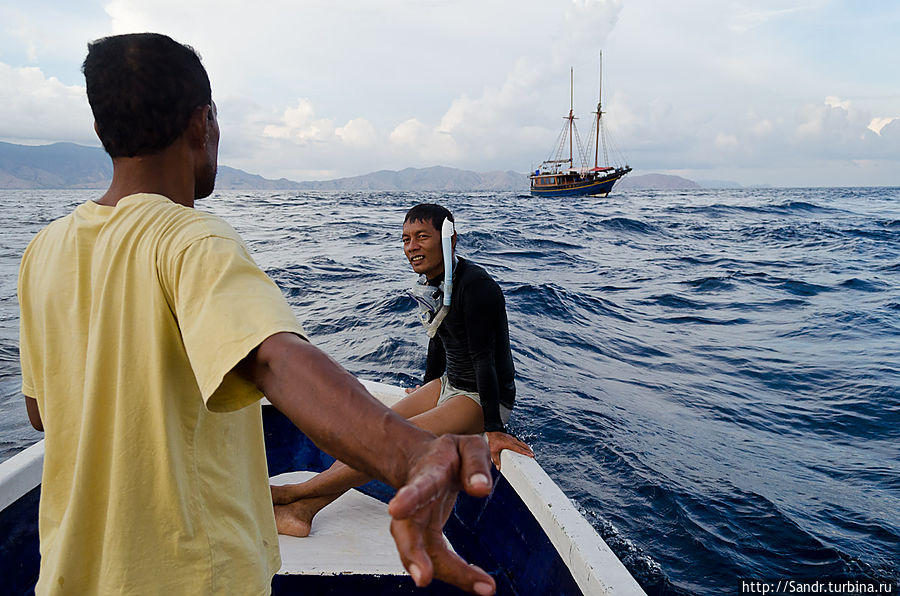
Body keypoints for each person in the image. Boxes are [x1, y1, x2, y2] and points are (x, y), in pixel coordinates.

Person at [18, 33, 497, 596]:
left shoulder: (42, 251)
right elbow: (276, 360)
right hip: (192, 579)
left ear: (101, 132)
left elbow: (40, 411)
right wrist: (412, 453)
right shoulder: (193, 239)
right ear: (203, 123)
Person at [271, 203, 533, 538]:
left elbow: (484, 359)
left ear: (450, 239)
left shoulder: (477, 287)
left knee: (386, 446)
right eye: (406, 239)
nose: (412, 247)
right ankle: (302, 511)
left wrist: (494, 429)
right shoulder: (436, 283)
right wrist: (428, 391)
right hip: (449, 384)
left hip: (480, 398)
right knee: (369, 434)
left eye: (422, 237)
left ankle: (297, 495)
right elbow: (438, 339)